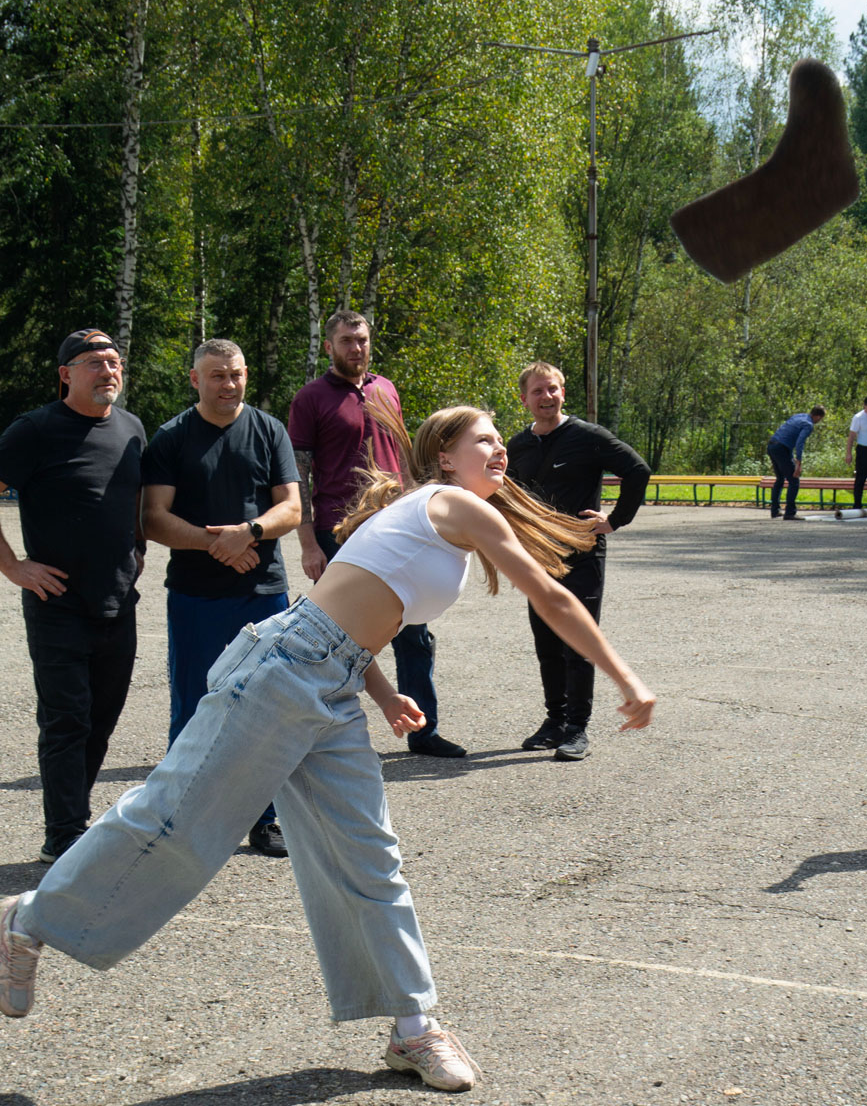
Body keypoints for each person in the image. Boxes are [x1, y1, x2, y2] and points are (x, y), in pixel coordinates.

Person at [0, 403, 656, 1093]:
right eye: (482, 438)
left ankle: (413, 1027)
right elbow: (551, 597)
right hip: (283, 671)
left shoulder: (430, 516)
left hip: (329, 681)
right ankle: (29, 919)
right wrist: (625, 678)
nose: (499, 448)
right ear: (445, 457)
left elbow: (349, 612)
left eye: (497, 438)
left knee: (370, 857)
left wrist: (384, 693)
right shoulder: (452, 503)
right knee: (176, 821)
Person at [0, 329, 145, 864]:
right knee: (67, 720)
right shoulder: (36, 430)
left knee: (102, 719)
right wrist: (14, 566)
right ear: (65, 374)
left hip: (118, 600)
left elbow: (131, 499)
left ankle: (72, 819)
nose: (108, 370)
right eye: (93, 363)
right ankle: (64, 835)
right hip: (58, 603)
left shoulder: (130, 429)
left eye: (114, 361)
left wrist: (139, 547)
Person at [141, 339, 301, 857]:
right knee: (194, 708)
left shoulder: (269, 430)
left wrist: (250, 531)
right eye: (216, 376)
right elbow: (154, 518)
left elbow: (292, 509)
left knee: (272, 708)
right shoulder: (171, 438)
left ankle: (269, 820)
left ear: (246, 374)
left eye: (235, 375)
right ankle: (181, 819)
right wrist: (219, 543)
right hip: (197, 597)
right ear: (195, 380)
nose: (228, 385)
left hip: (263, 594)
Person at [288, 309, 464, 758]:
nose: (356, 348)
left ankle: (423, 732)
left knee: (414, 632)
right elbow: (299, 475)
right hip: (339, 530)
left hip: (396, 527)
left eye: (362, 339)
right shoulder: (311, 399)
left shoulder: (385, 389)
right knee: (339, 635)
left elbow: (403, 458)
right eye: (346, 341)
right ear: (329, 347)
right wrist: (308, 542)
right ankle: (322, 734)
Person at [506, 361, 651, 762]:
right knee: (547, 642)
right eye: (537, 391)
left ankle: (576, 729)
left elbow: (637, 470)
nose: (546, 397)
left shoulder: (587, 436)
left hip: (582, 555)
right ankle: (554, 722)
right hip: (538, 556)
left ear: (563, 393)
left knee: (578, 643)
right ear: (524, 399)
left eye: (552, 389)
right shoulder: (517, 446)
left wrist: (614, 520)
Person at [766, 406, 826, 520]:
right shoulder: (809, 425)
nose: (819, 421)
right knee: (794, 480)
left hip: (772, 445)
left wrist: (791, 457)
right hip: (781, 449)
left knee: (780, 479)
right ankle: (790, 513)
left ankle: (775, 511)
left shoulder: (798, 416)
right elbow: (799, 442)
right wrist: (799, 462)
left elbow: (786, 434)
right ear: (818, 416)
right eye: (821, 419)